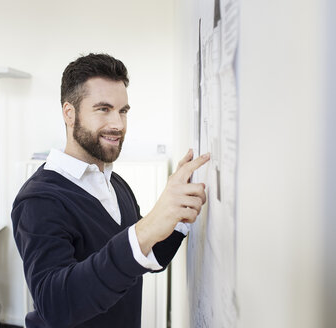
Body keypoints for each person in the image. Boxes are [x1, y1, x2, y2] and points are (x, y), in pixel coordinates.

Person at [11, 53, 210, 328]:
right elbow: (55, 304)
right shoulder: (39, 199)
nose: (118, 124)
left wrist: (179, 218)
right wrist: (145, 229)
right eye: (103, 109)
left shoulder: (115, 184)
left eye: (123, 110)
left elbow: (145, 257)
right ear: (69, 113)